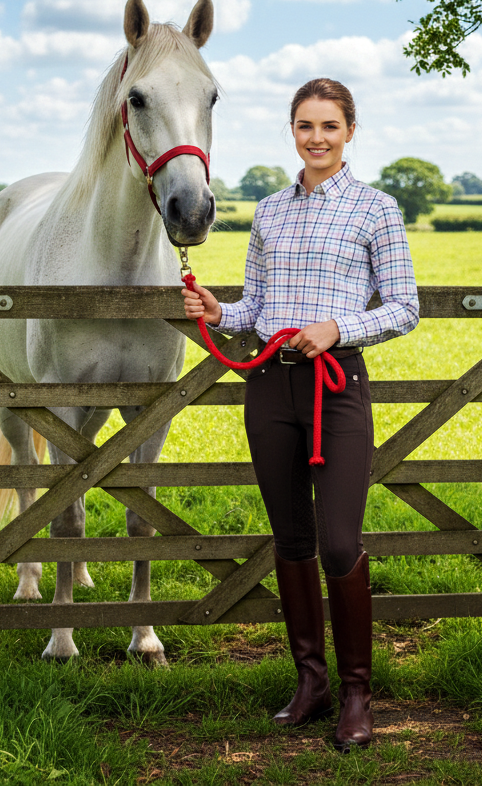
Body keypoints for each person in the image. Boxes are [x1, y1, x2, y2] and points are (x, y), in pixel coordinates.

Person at [182, 77, 419, 752]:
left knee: (340, 542)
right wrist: (219, 314)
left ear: (350, 132)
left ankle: (356, 695)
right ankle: (310, 682)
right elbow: (254, 309)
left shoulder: (376, 209)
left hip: (336, 388)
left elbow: (404, 306)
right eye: (305, 126)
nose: (316, 138)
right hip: (271, 390)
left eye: (330, 126)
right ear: (293, 131)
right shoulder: (268, 212)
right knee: (290, 540)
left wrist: (336, 327)